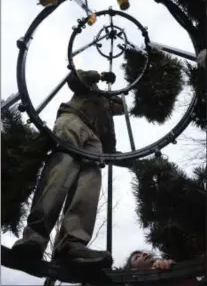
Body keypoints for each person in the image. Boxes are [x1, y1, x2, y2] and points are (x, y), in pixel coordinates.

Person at [12, 69, 124, 267]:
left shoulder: (107, 122)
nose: (118, 110)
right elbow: (74, 78)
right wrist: (98, 76)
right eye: (118, 106)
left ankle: (71, 244)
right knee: (62, 169)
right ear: (112, 99)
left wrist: (132, 161)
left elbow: (111, 149)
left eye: (120, 110)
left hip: (94, 140)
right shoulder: (93, 90)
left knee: (89, 183)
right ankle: (35, 238)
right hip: (74, 120)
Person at [125, 250, 197, 286]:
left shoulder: (169, 268)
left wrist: (174, 268)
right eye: (137, 257)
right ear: (134, 272)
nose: (144, 254)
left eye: (143, 253)